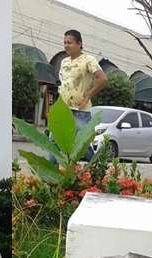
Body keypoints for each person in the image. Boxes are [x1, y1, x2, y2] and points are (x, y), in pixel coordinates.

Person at [54, 29, 107, 162]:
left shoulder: (88, 60)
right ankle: (50, 178)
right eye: (64, 42)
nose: (66, 45)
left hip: (80, 111)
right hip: (63, 110)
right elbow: (64, 85)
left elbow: (102, 79)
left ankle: (96, 172)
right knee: (54, 142)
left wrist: (88, 96)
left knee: (82, 146)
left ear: (79, 43)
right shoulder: (64, 62)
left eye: (69, 42)